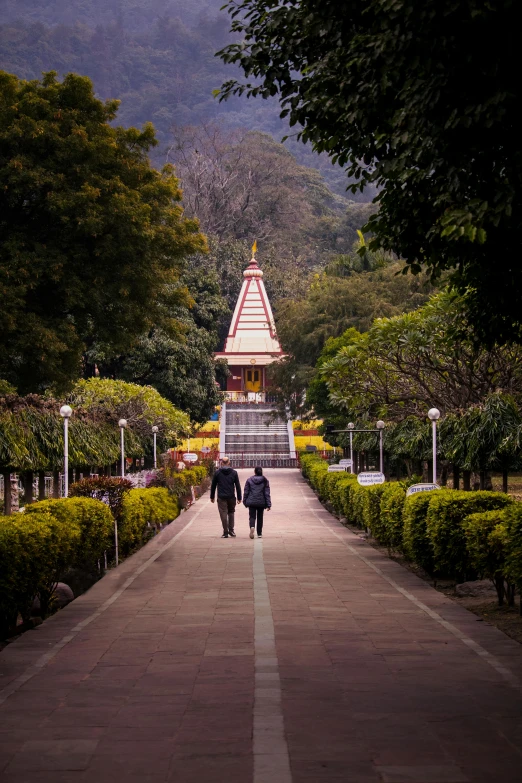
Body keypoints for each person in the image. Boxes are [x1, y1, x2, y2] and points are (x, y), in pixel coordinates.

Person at [210, 456, 242, 538]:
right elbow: (237, 485)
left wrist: (212, 496)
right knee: (231, 512)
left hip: (221, 497)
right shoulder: (234, 473)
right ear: (229, 462)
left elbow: (213, 485)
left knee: (223, 513)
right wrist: (239, 497)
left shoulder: (217, 473)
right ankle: (231, 531)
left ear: (221, 463)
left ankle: (225, 532)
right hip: (231, 496)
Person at [243, 466, 271, 539]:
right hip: (261, 502)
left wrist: (244, 500)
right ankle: (259, 533)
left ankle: (252, 526)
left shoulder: (249, 480)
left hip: (252, 501)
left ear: (254, 472)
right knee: (260, 517)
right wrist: (268, 504)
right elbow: (267, 493)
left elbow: (246, 491)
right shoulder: (265, 480)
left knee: (252, 516)